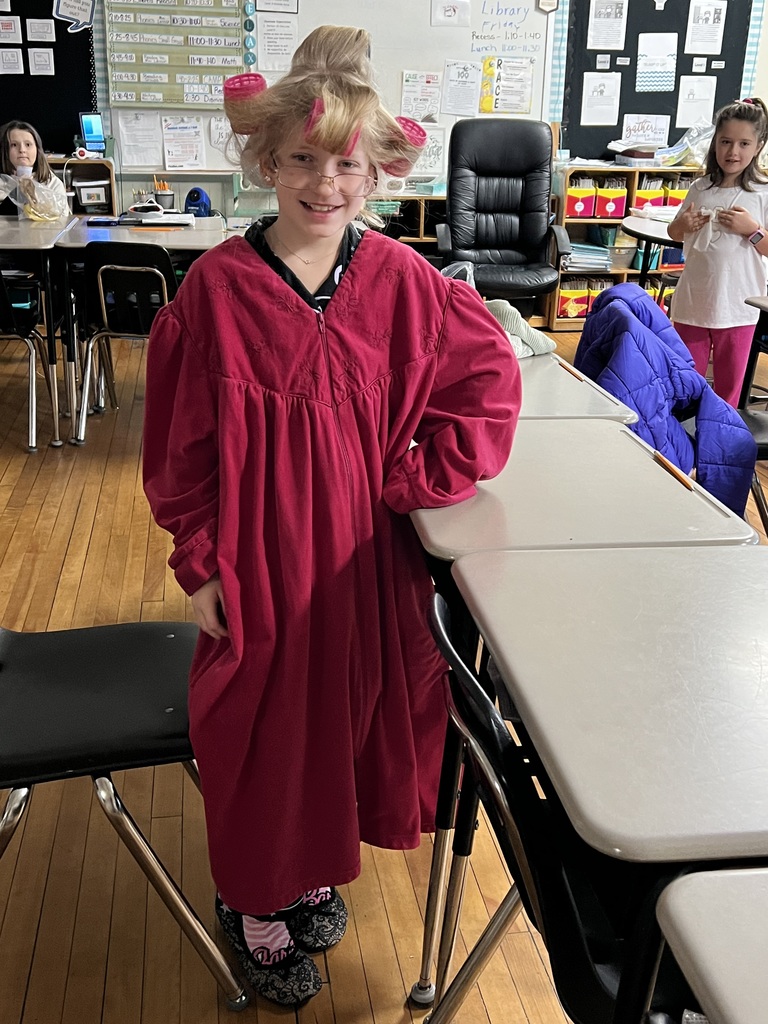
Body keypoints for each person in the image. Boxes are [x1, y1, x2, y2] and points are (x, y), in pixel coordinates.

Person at [142, 24, 521, 1009]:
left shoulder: (401, 282)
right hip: (259, 558)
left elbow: (485, 383)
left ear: (375, 169)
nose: (322, 183)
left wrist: (415, 480)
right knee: (256, 732)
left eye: (343, 163)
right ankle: (253, 904)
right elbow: (181, 450)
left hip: (359, 560)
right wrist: (201, 559)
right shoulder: (216, 294)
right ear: (267, 159)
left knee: (335, 726)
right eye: (301, 160)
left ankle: (301, 872)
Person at [668, 97, 768, 406]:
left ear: (759, 145)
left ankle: (722, 442)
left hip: (738, 307)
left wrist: (751, 229)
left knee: (729, 389)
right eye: (725, 142)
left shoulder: (763, 193)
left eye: (743, 143)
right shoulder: (701, 187)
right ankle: (684, 439)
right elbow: (674, 232)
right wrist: (682, 223)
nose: (733, 152)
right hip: (693, 303)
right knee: (687, 379)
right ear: (715, 143)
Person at [0, 120, 69, 220]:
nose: (22, 150)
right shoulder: (2, 183)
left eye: (28, 145)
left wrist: (34, 196)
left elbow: (61, 222)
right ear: (4, 150)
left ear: (37, 149)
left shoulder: (52, 183)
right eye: (14, 145)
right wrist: (17, 192)